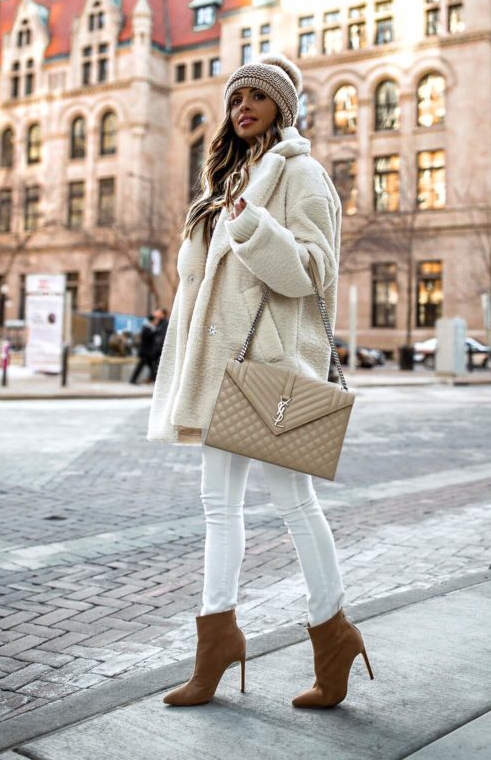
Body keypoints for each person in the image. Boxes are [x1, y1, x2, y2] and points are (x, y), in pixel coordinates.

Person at [147, 53, 373, 709]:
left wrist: (250, 223)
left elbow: (313, 272)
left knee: (297, 505)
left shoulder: (301, 175)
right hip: (221, 373)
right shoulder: (225, 180)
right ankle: (216, 642)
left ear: (282, 106)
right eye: (236, 95)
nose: (242, 104)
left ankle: (334, 635)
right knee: (218, 507)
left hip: (270, 370)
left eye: (258, 95)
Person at [129, 312, 159, 384]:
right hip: (145, 353)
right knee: (142, 367)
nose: (157, 322)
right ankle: (133, 380)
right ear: (152, 320)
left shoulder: (150, 328)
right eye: (156, 320)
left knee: (152, 367)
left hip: (148, 353)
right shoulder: (147, 328)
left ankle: (152, 379)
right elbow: (148, 338)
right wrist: (155, 332)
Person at [151, 308, 169, 379]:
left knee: (159, 365)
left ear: (163, 314)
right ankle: (153, 377)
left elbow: (162, 336)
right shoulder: (159, 323)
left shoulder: (165, 323)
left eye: (159, 313)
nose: (157, 315)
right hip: (157, 348)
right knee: (155, 364)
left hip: (160, 348)